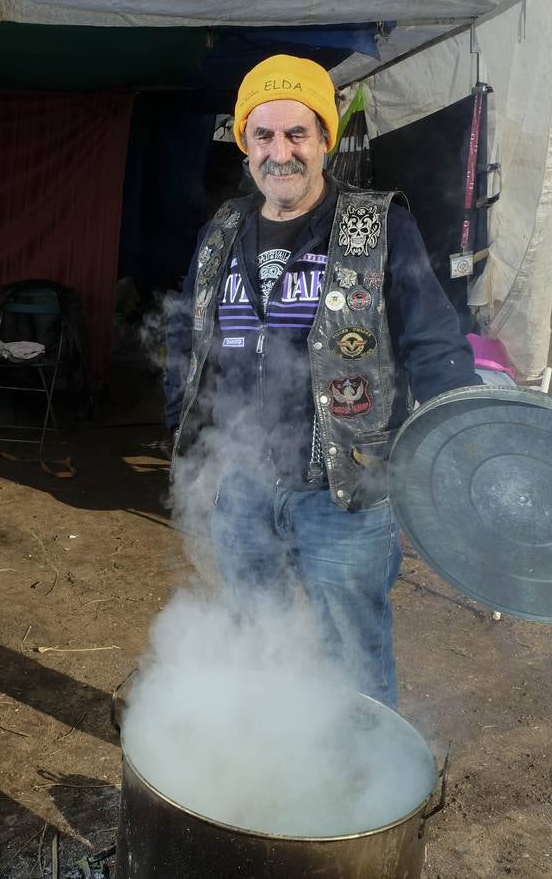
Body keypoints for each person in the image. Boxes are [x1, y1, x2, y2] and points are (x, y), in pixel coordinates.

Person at [163, 54, 479, 707]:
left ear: (324, 139)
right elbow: (183, 336)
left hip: (346, 493)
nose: (280, 152)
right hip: (242, 485)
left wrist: (460, 446)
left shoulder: (379, 224)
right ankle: (273, 762)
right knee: (253, 635)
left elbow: (434, 343)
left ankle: (363, 790)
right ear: (245, 143)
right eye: (263, 135)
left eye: (296, 133)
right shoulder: (221, 232)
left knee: (351, 651)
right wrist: (188, 430)